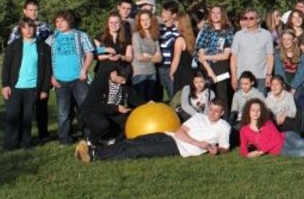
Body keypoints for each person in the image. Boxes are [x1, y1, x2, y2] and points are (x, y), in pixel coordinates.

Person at [75, 98, 231, 162]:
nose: (212, 113)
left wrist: (215, 150)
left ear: (222, 112)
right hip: (169, 135)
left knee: (137, 150)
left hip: (179, 148)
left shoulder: (224, 127)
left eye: (216, 111)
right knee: (132, 141)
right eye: (211, 109)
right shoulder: (199, 117)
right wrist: (198, 143)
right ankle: (96, 149)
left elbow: (225, 148)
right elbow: (179, 131)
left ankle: (94, 154)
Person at [7, 0, 53, 143]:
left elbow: (50, 49)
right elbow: (12, 51)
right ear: (24, 11)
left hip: (40, 72)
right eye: (30, 10)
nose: (33, 13)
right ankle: (18, 137)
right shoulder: (18, 29)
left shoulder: (45, 28)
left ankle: (43, 134)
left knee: (41, 107)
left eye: (36, 10)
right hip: (23, 76)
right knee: (21, 110)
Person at [47, 10, 95, 145]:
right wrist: (52, 77)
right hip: (60, 81)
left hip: (79, 79)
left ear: (70, 21)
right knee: (63, 113)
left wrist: (84, 71)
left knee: (85, 108)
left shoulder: (81, 35)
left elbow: (90, 53)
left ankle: (89, 137)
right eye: (57, 21)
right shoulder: (53, 38)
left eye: (62, 20)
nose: (59, 24)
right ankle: (64, 139)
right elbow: (48, 59)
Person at [239, 99, 304, 158]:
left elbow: (275, 138)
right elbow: (243, 149)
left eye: (258, 110)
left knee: (302, 144)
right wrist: (249, 155)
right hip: (278, 150)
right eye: (253, 110)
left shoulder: (267, 122)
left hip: (285, 137)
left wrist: (261, 151)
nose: (256, 112)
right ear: (248, 111)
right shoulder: (244, 130)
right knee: (303, 153)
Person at [80, 62, 146, 144]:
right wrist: (116, 108)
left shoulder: (126, 81)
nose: (124, 83)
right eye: (122, 79)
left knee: (130, 120)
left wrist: (146, 105)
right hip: (93, 112)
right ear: (115, 73)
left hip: (113, 112)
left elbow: (133, 97)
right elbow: (93, 105)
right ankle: (91, 141)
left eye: (126, 80)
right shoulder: (100, 80)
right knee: (103, 124)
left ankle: (113, 141)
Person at [230, 9, 274, 95]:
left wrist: (269, 75)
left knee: (260, 105)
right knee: (243, 105)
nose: (248, 20)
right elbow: (234, 57)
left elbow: (270, 57)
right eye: (245, 18)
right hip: (242, 77)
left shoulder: (266, 34)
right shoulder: (238, 35)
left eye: (251, 18)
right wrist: (234, 76)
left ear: (258, 19)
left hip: (261, 77)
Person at [195, 5, 234, 102]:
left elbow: (225, 55)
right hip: (206, 67)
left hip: (221, 67)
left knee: (221, 96)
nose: (215, 15)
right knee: (206, 95)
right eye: (213, 13)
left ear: (222, 15)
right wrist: (209, 71)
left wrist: (206, 56)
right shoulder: (206, 30)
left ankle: (223, 116)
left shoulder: (228, 31)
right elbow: (200, 52)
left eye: (218, 13)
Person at [131, 10, 162, 101]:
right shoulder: (136, 36)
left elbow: (159, 58)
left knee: (150, 100)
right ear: (139, 22)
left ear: (151, 20)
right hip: (139, 72)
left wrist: (148, 56)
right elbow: (139, 57)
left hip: (152, 72)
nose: (145, 22)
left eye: (147, 19)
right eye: (142, 20)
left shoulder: (154, 36)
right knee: (140, 100)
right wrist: (153, 57)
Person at [93, 12, 133, 76]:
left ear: (120, 24)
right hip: (103, 72)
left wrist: (120, 57)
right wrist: (105, 50)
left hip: (122, 72)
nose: (114, 25)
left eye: (116, 22)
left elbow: (129, 57)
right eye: (111, 22)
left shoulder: (127, 38)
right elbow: (93, 52)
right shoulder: (100, 37)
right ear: (107, 24)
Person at [157, 0, 181, 101]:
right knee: (156, 97)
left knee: (173, 96)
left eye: (167, 12)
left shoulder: (178, 31)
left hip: (170, 68)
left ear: (173, 15)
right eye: (163, 11)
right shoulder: (158, 29)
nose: (163, 14)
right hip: (157, 67)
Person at [169, 13, 196, 96]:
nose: (174, 23)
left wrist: (171, 72)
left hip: (180, 73)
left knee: (179, 98)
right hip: (190, 71)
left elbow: (176, 60)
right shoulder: (192, 38)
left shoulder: (179, 40)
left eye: (176, 21)